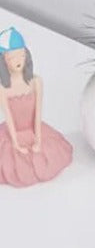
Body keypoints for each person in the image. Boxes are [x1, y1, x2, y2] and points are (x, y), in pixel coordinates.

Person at [0, 26, 72, 186]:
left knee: (49, 155)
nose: (18, 61)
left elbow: (38, 113)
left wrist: (38, 140)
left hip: (34, 129)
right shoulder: (2, 89)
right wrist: (16, 144)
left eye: (21, 55)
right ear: (3, 61)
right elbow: (9, 118)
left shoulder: (36, 82)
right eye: (12, 57)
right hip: (13, 132)